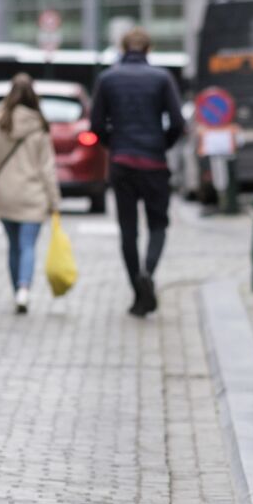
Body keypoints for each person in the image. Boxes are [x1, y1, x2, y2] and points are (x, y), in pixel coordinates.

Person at [88, 27, 186, 316]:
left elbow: (95, 126)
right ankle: (149, 271)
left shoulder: (107, 79)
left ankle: (137, 290)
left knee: (128, 231)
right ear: (148, 49)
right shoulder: (162, 78)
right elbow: (178, 122)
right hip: (154, 163)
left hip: (122, 163)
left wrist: (114, 145)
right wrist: (161, 144)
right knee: (158, 224)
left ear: (122, 48)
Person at [0, 74, 62, 313]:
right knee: (28, 245)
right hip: (33, 193)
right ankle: (25, 290)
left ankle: (17, 289)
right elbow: (47, 168)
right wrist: (55, 201)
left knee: (14, 245)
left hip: (5, 194)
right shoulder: (40, 125)